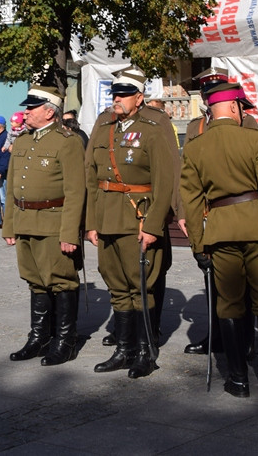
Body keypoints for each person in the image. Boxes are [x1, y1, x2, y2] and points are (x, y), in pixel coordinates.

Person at [182, 83, 258, 396]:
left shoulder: (195, 146)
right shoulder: (255, 138)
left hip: (221, 232)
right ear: (235, 108)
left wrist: (198, 244)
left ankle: (237, 379)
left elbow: (192, 202)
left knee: (229, 305)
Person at [86, 68, 175, 378]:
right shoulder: (103, 128)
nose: (117, 99)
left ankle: (145, 352)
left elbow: (165, 182)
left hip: (137, 218)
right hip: (107, 217)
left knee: (141, 287)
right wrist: (90, 222)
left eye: (124, 94)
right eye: (115, 94)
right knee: (117, 288)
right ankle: (123, 350)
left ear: (140, 98)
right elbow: (90, 177)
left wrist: (152, 226)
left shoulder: (152, 129)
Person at [3, 86, 86, 366]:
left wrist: (69, 233)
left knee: (61, 281)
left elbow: (76, 191)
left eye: (32, 108)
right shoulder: (24, 140)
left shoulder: (67, 141)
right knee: (35, 281)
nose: (25, 112)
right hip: (25, 220)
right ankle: (39, 337)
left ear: (49, 111)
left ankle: (65, 340)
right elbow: (13, 185)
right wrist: (9, 226)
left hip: (53, 221)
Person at [184, 65, 258, 356]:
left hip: (234, 209)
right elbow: (186, 174)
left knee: (244, 278)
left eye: (213, 89)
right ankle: (216, 334)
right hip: (204, 211)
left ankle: (245, 336)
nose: (208, 94)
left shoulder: (245, 122)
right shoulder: (194, 127)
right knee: (213, 279)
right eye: (205, 90)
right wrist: (183, 211)